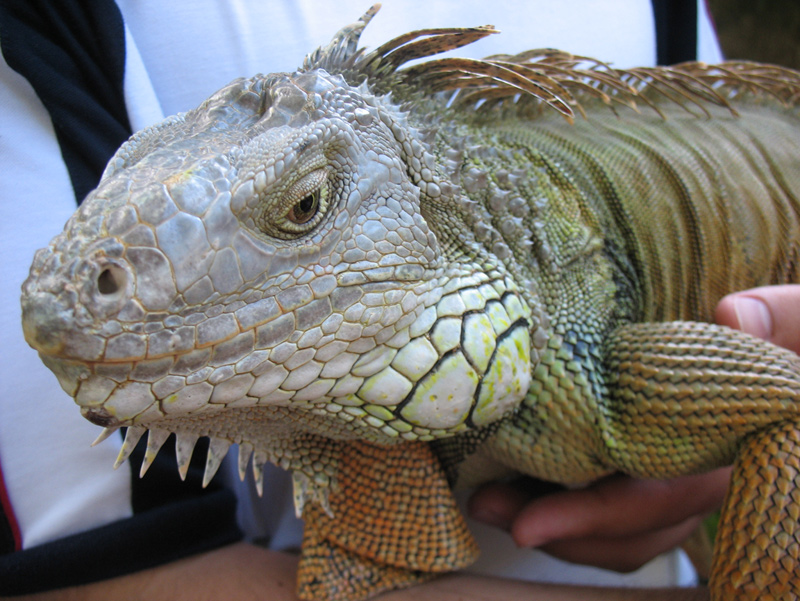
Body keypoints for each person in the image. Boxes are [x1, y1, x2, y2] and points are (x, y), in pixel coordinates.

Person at [0, 1, 795, 600]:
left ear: (425, 221)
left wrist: (724, 479)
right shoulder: (48, 21)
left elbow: (781, 412)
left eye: (302, 207)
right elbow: (83, 573)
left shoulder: (588, 359)